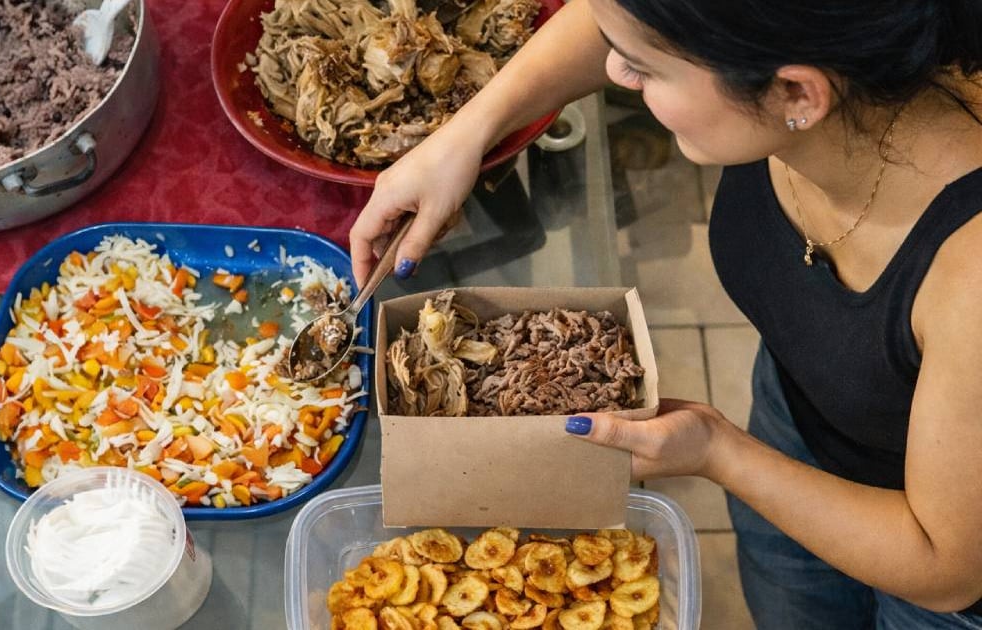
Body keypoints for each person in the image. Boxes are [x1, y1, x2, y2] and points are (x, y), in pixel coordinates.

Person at [348, 1, 982, 628]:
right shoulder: (822, 80)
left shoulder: (970, 272)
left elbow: (944, 569)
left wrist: (720, 452)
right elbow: (616, 20)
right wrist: (467, 133)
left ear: (794, 92)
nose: (617, 74)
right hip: (802, 417)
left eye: (646, 71)